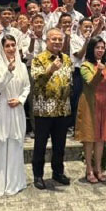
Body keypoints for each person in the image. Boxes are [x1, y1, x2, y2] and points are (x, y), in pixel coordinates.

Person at [0, 35, 30, 197]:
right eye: (7, 46)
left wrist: (20, 99)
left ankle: (14, 182)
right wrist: (8, 72)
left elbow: (27, 87)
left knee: (15, 143)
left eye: (13, 45)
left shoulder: (22, 66)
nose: (11, 49)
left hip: (16, 107)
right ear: (2, 48)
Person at [30, 28, 74, 189]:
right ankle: (38, 175)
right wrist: (50, 69)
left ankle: (58, 172)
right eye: (53, 39)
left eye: (59, 40)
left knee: (60, 145)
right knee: (40, 145)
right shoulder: (39, 59)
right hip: (44, 110)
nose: (57, 42)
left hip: (62, 109)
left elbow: (69, 80)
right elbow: (36, 79)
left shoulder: (67, 59)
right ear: (47, 41)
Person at [75, 37, 106, 184]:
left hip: (104, 104)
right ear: (92, 49)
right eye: (97, 47)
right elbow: (91, 84)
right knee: (90, 137)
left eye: (102, 48)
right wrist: (99, 72)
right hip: (89, 104)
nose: (100, 50)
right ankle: (89, 169)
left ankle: (98, 168)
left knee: (101, 138)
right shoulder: (85, 66)